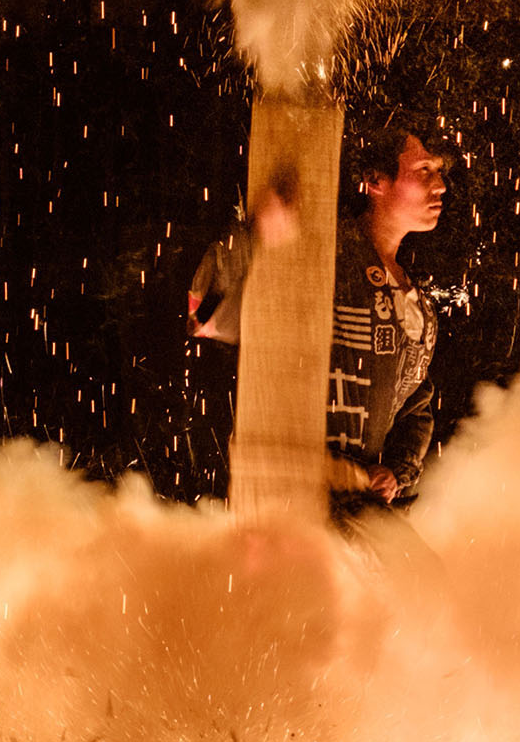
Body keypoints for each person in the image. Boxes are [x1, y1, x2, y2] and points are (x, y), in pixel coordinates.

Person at [188, 125, 448, 511]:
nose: (440, 185)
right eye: (424, 170)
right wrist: (255, 237)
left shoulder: (420, 307)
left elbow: (415, 405)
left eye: (440, 171)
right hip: (290, 497)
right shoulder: (320, 254)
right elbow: (202, 312)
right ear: (375, 181)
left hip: (360, 502)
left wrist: (397, 470)